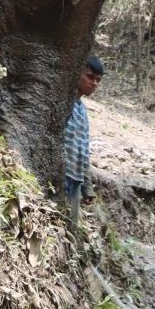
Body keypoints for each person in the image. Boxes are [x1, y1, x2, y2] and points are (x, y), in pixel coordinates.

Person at [63, 55, 104, 227]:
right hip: (61, 175)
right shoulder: (63, 103)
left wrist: (87, 186)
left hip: (76, 179)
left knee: (70, 228)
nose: (94, 83)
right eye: (90, 77)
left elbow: (84, 150)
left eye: (98, 80)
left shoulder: (82, 110)